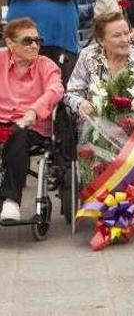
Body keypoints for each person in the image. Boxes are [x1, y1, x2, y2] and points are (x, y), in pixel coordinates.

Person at [64, 12, 134, 195]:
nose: (125, 39)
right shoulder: (88, 56)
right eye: (117, 35)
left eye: (127, 33)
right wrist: (81, 103)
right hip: (95, 125)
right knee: (97, 138)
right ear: (101, 40)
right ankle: (116, 205)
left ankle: (115, 205)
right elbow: (71, 93)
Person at [0, 18, 63, 221]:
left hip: (32, 126)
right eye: (27, 41)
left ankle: (10, 202)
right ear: (10, 43)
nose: (35, 45)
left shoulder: (46, 65)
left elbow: (56, 90)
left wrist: (33, 111)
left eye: (38, 40)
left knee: (18, 134)